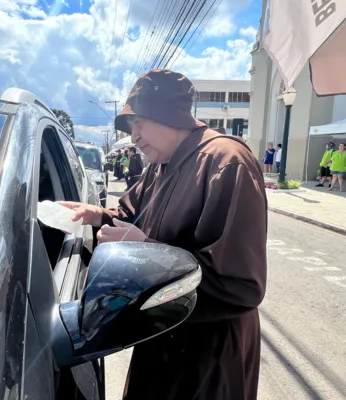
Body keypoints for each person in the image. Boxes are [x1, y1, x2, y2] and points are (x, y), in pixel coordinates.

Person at [59, 69, 267, 400]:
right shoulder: (160, 166)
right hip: (164, 339)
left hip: (207, 358)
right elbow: (131, 216)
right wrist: (96, 215)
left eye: (139, 122)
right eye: (130, 127)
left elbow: (240, 286)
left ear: (169, 115)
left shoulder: (226, 162)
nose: (134, 135)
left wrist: (144, 249)